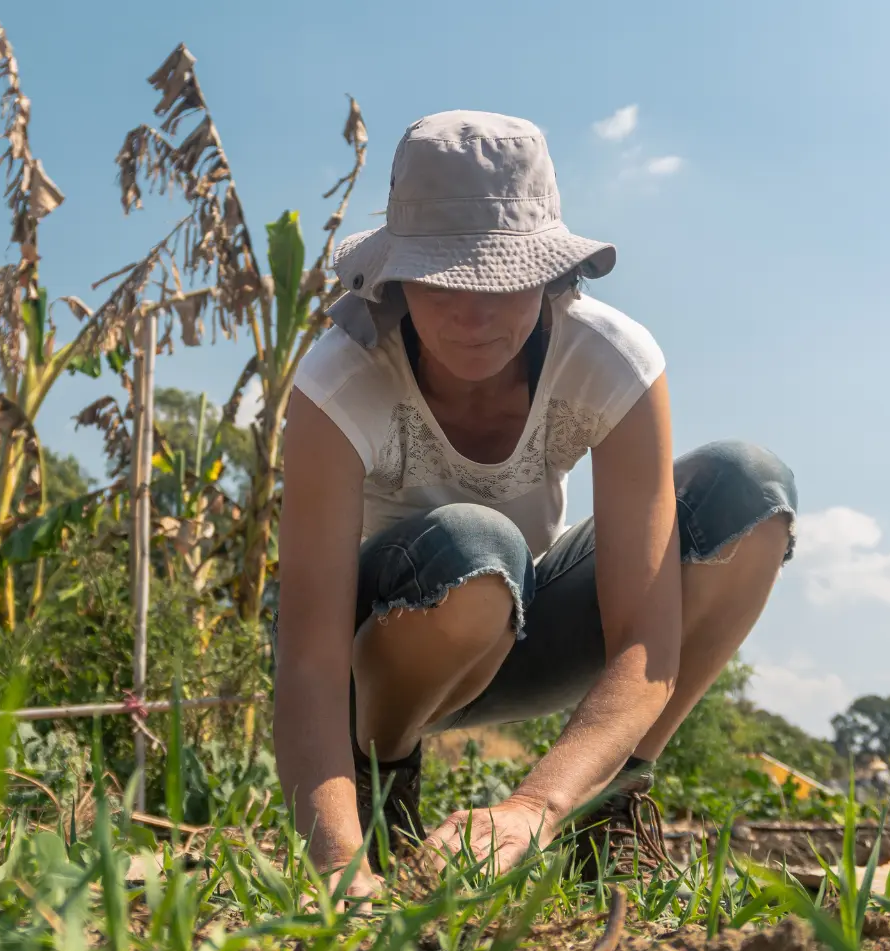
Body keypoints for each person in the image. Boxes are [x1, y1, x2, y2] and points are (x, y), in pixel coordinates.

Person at [273, 111, 797, 895]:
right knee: (476, 547)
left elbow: (644, 643)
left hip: (523, 624)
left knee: (747, 489)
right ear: (398, 275)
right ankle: (386, 780)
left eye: (503, 279)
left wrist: (535, 805)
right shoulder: (339, 382)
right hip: (379, 657)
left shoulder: (613, 363)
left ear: (551, 272)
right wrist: (340, 868)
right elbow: (309, 660)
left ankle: (608, 807)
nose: (473, 314)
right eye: (444, 279)